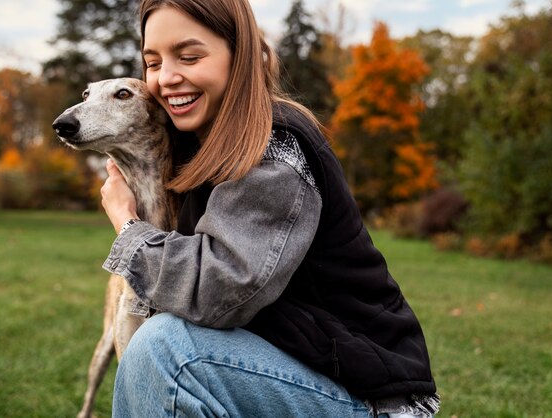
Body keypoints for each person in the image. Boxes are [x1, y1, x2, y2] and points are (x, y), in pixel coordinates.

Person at [100, 0, 440, 417]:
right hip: (296, 370)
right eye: (153, 63)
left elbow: (215, 291)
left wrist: (127, 223)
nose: (166, 78)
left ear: (239, 54)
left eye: (189, 56)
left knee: (168, 348)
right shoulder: (203, 147)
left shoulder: (273, 149)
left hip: (370, 401)